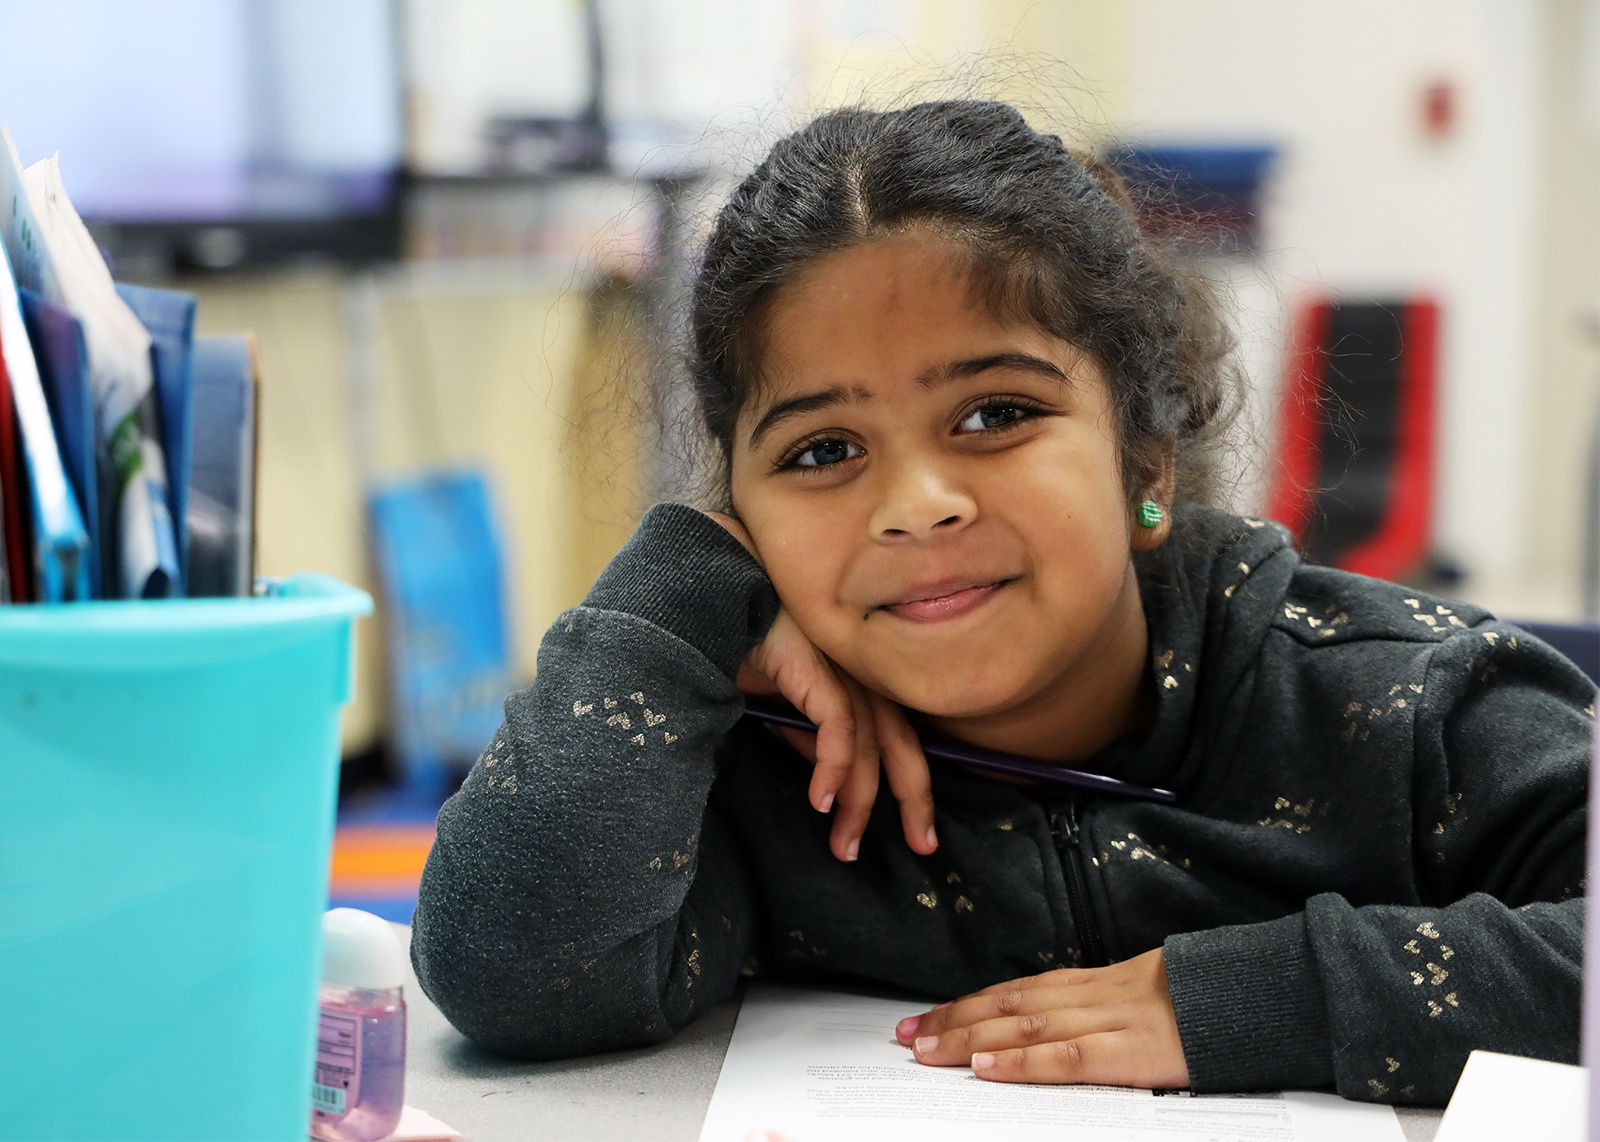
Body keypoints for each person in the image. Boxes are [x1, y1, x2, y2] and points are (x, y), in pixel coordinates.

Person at [410, 101, 1589, 1105]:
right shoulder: (742, 767)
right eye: (821, 450)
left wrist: (1253, 999)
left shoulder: (1400, 700)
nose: (915, 506)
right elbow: (509, 975)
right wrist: (680, 597)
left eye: (995, 414)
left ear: (1146, 458)